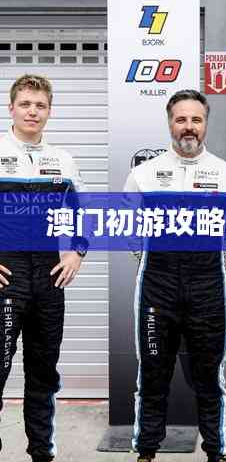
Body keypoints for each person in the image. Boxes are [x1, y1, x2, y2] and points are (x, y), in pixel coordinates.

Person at [123, 89, 226, 462]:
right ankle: (146, 451)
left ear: (206, 123)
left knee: (209, 376)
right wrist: (152, 260)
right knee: (153, 374)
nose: (189, 126)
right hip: (157, 286)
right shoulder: (143, 175)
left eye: (196, 119)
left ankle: (216, 451)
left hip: (207, 287)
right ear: (170, 123)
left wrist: (209, 264)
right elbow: (129, 229)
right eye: (181, 119)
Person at [0, 74, 87, 462]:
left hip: (49, 278)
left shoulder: (63, 161)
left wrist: (76, 253)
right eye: (25, 104)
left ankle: (41, 453)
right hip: (7, 276)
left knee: (43, 373)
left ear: (49, 111)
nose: (32, 111)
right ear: (11, 108)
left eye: (40, 105)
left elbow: (82, 213)